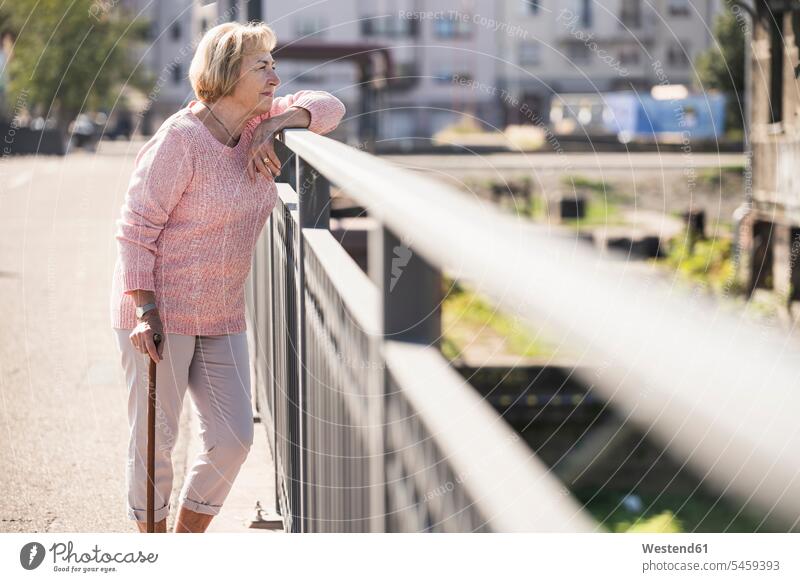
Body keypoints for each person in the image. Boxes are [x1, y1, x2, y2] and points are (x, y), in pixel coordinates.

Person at [109, 21, 345, 533]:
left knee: (234, 437)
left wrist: (277, 125)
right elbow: (134, 228)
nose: (275, 77)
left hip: (221, 311)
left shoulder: (262, 121)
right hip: (158, 311)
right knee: (156, 440)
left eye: (274, 65)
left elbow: (332, 106)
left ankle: (186, 539)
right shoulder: (182, 140)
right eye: (261, 66)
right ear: (224, 72)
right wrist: (145, 310)